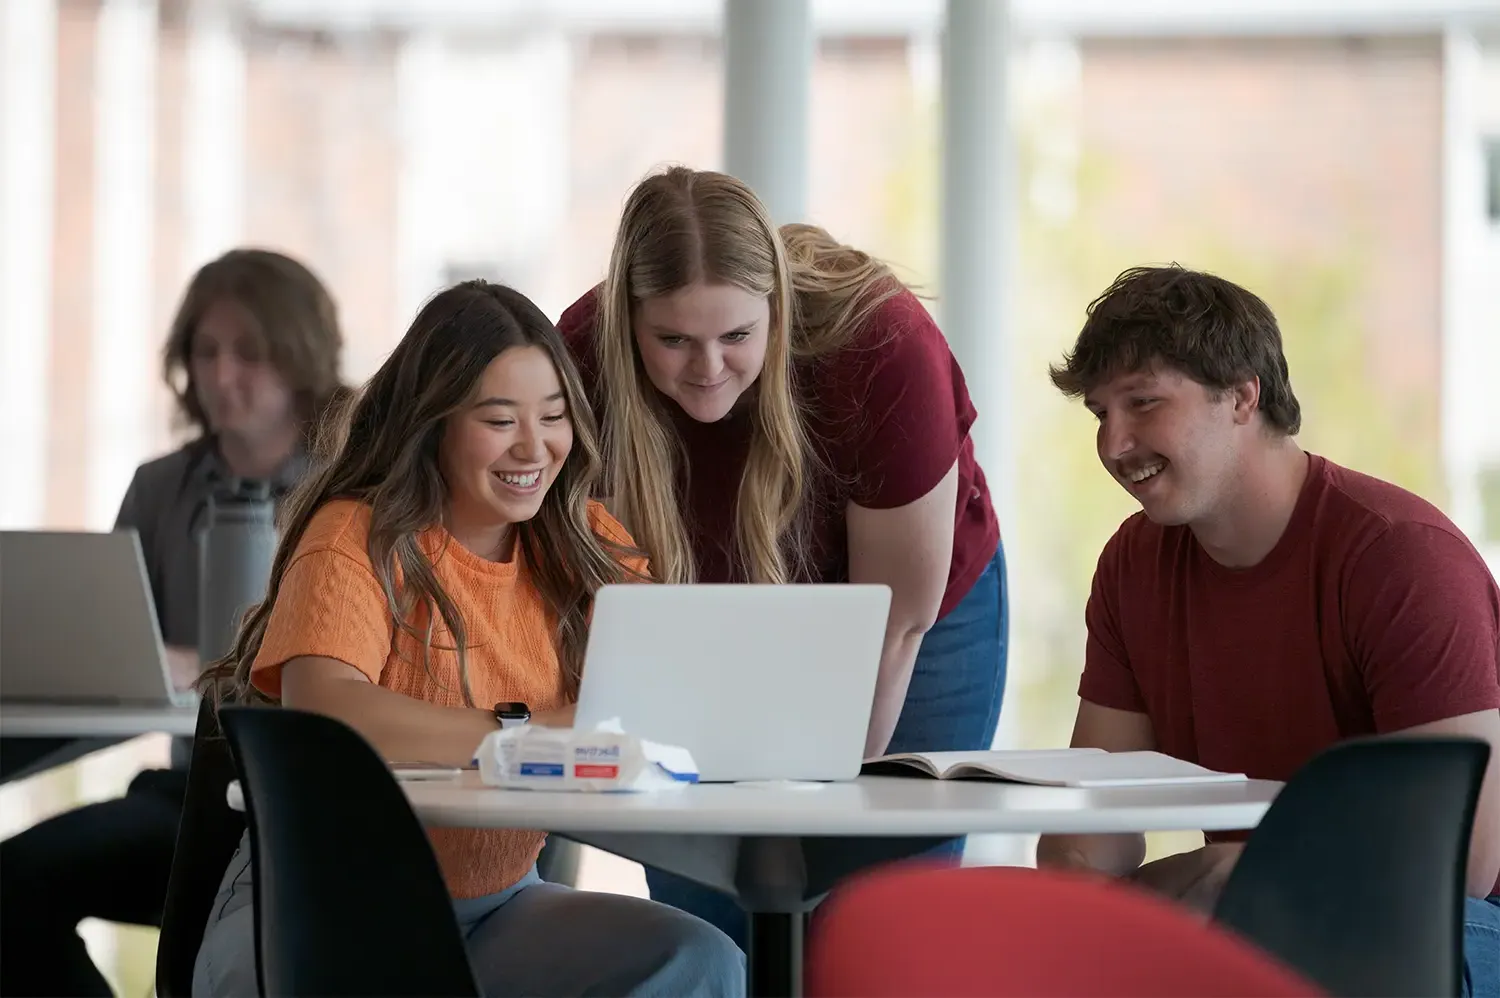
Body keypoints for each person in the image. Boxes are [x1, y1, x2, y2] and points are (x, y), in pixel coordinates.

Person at [192, 280, 744, 998]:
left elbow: (652, 706)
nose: (534, 446)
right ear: (434, 424)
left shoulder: (588, 547)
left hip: (498, 907)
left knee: (699, 960)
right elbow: (326, 710)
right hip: (319, 908)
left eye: (553, 417)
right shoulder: (355, 537)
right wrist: (526, 734)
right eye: (497, 419)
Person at [556, 166, 1008, 946]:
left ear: (777, 309)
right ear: (627, 322)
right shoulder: (581, 355)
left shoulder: (880, 347)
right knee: (711, 910)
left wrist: (825, 778)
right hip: (706, 610)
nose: (706, 368)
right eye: (673, 340)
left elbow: (897, 621)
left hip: (910, 619)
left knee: (877, 924)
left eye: (736, 336)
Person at [1034, 265, 1500, 997]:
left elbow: (1459, 862)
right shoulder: (1134, 565)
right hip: (1272, 915)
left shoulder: (1400, 557)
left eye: (1144, 402)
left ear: (1243, 396)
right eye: (1100, 413)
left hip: (1455, 924)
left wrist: (1240, 871)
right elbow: (1088, 842)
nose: (1115, 444)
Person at [0, 248, 347, 998]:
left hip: (315, 808)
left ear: (300, 356)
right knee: (9, 889)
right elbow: (111, 648)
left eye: (249, 352)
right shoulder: (161, 488)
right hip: (190, 796)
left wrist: (208, 664)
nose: (222, 376)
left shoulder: (356, 483)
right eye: (205, 351)